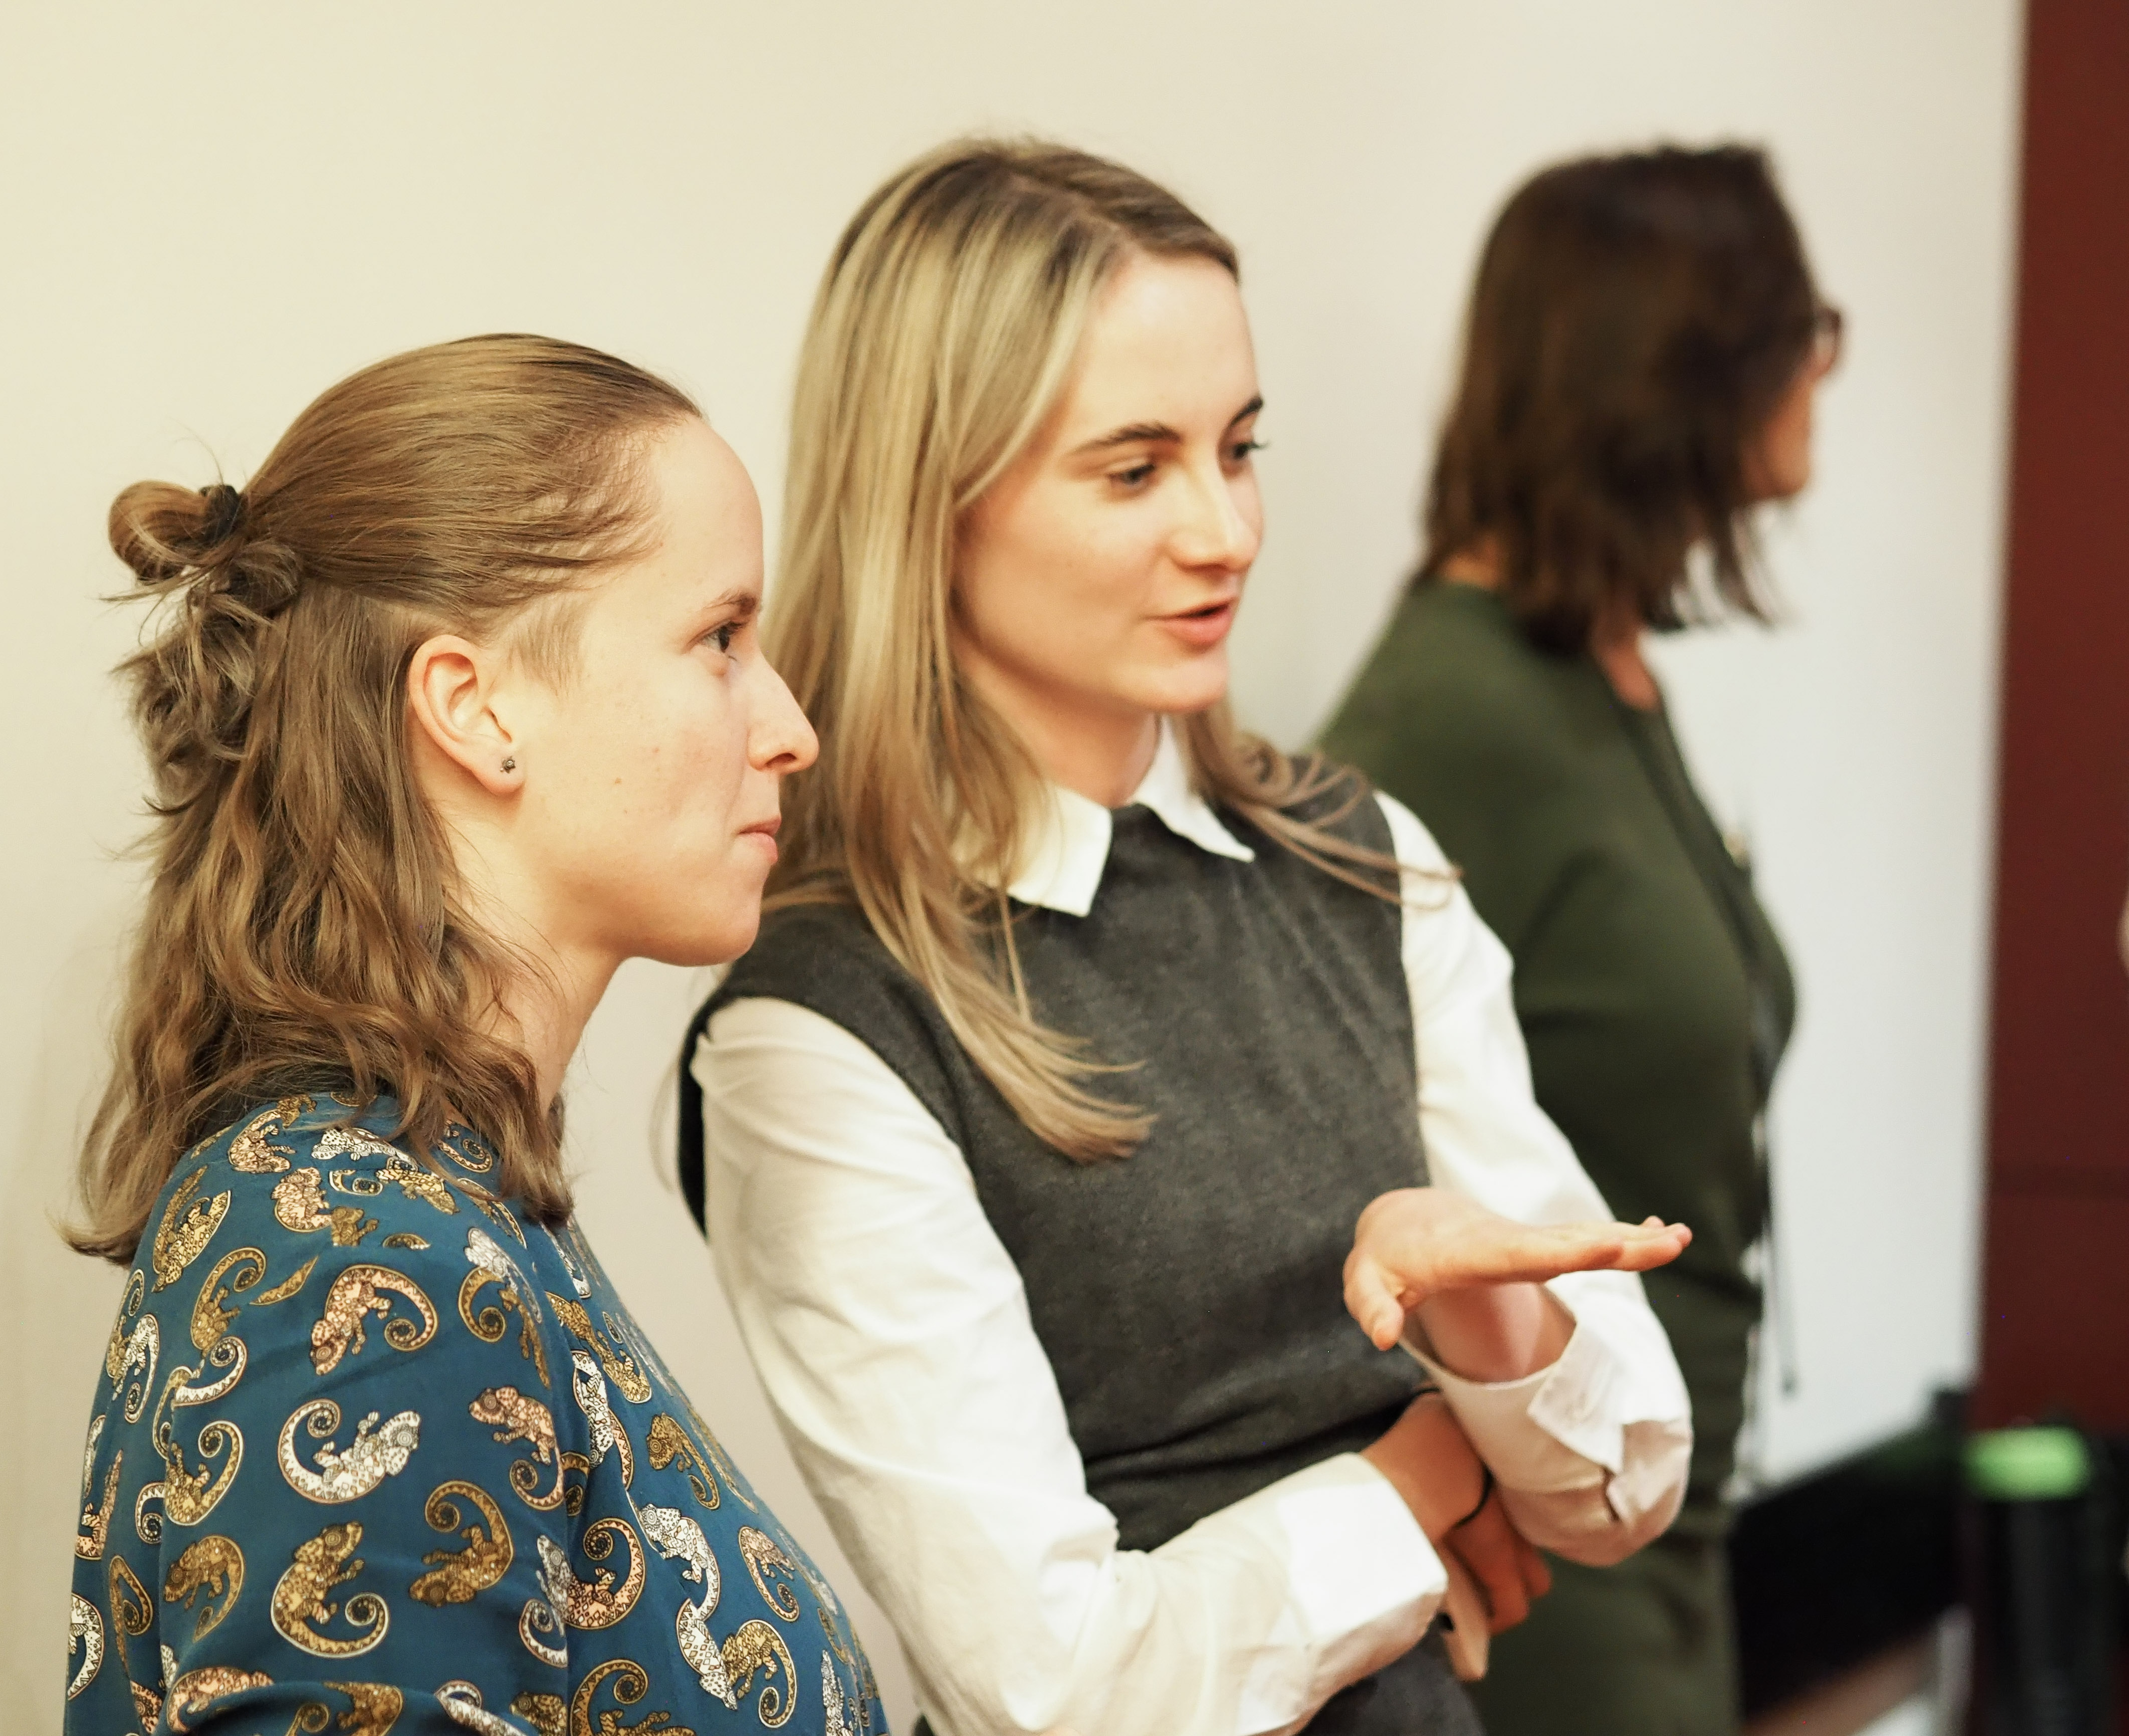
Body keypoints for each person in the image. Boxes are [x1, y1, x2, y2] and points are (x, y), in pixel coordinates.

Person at [676, 140, 1696, 1736]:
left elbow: (1623, 1483)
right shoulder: (817, 1031)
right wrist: (1430, 1476)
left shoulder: (1359, 860)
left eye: (1240, 448)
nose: (1226, 531)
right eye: (1135, 469)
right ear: (934, 502)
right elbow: (1059, 1691)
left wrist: (1483, 1310)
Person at [63, 336, 885, 1736]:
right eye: (720, 641)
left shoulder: (442, 1203)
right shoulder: (364, 1260)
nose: (792, 728)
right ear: (473, 707)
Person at [1315, 146, 1832, 1735]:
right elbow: (1320, 1146)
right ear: (1679, 377)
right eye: (1798, 329)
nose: (1822, 365)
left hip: (1677, 1512)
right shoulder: (1452, 717)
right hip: (1557, 1559)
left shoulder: (1607, 669)